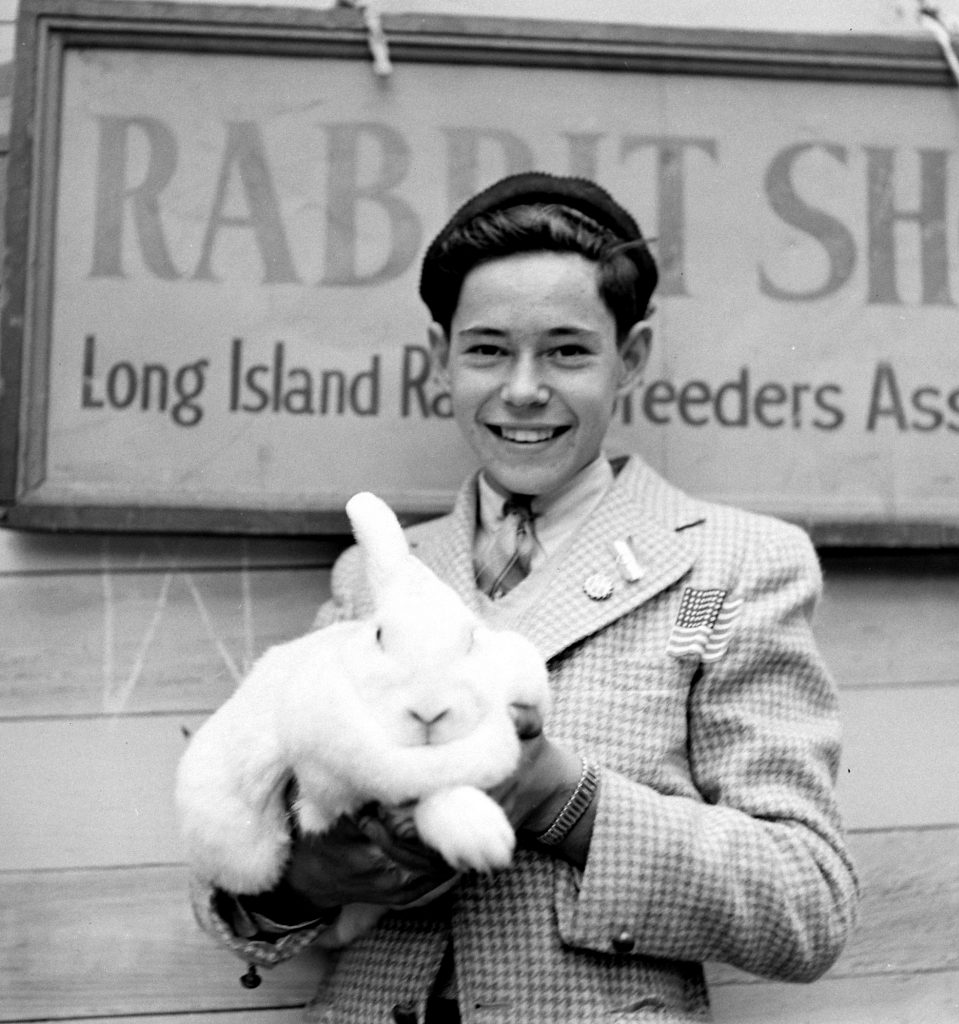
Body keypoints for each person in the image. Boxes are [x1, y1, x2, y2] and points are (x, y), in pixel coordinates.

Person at [191, 172, 859, 1023]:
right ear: (442, 358)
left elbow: (808, 902)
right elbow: (239, 851)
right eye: (487, 349)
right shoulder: (375, 574)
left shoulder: (725, 573)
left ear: (634, 357)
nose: (522, 389)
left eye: (568, 350)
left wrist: (564, 798)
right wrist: (303, 877)